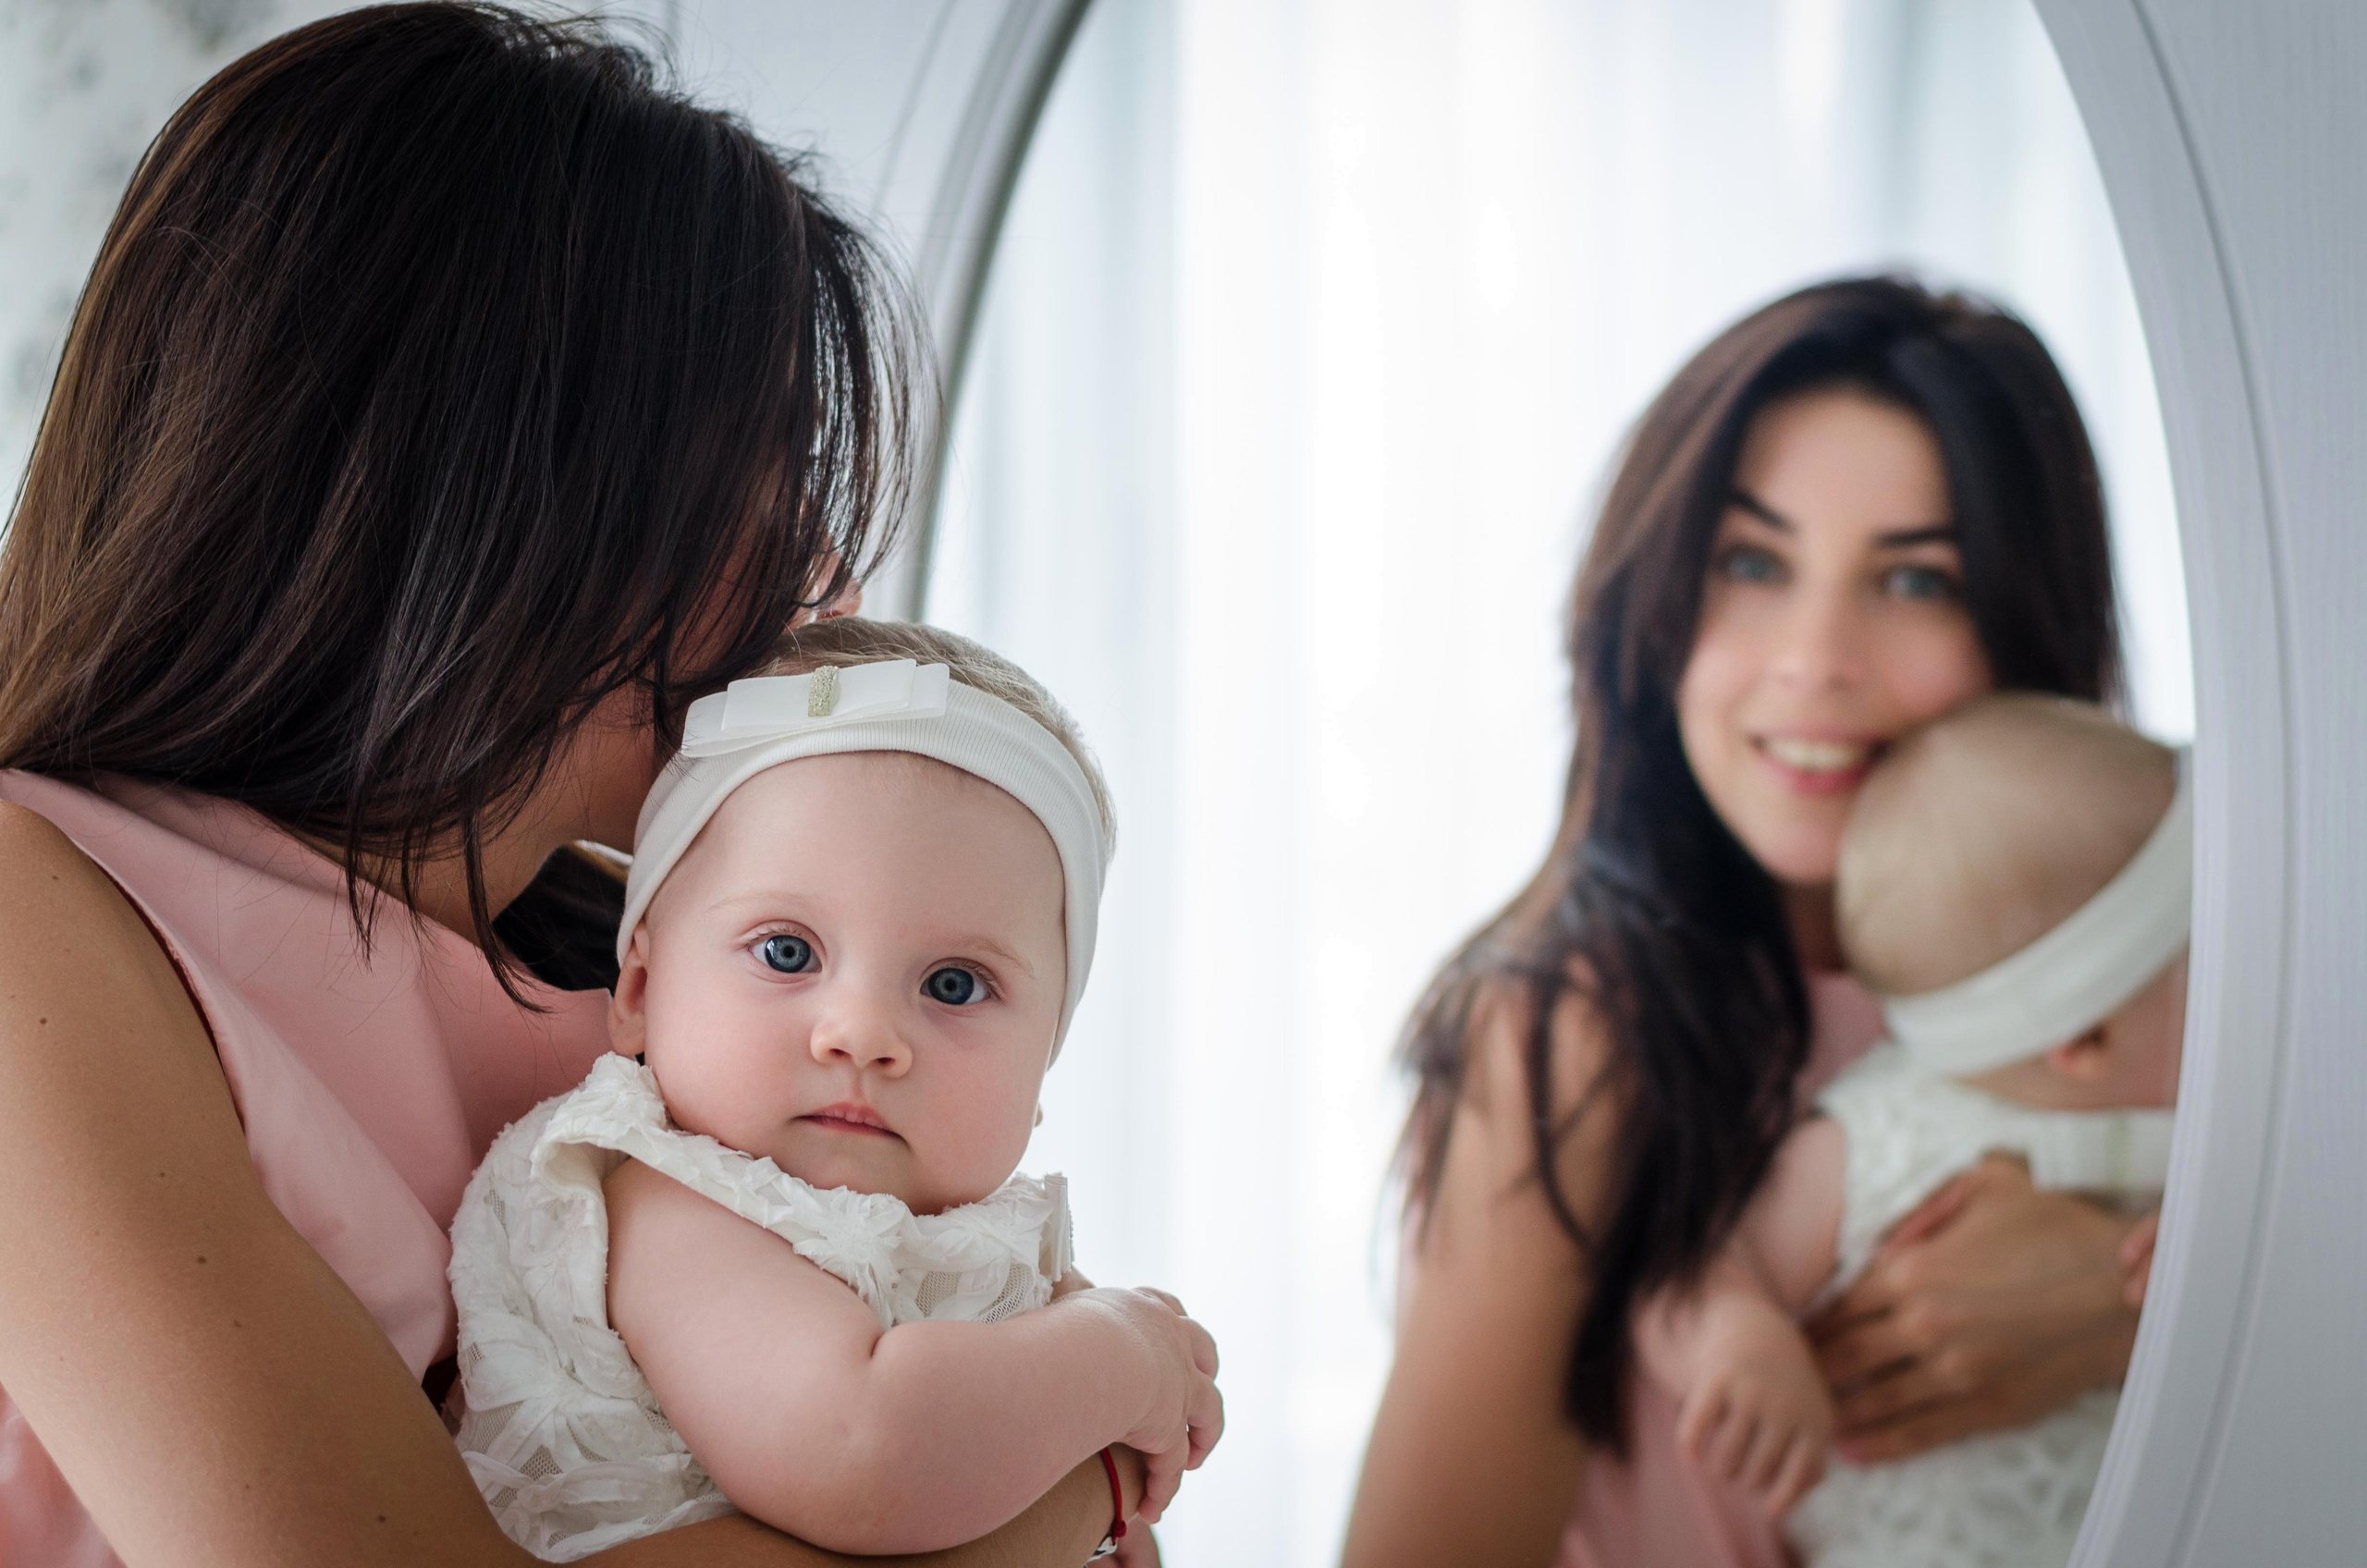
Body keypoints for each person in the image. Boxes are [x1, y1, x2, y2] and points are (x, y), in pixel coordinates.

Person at [0, 7, 1139, 1564]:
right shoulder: (30, 917)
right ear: (480, 486)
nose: (811, 568)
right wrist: (1042, 1494)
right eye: (768, 474)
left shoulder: (649, 981)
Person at [1342, 276, 2156, 1568]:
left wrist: (2130, 1303)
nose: (1817, 660)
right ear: (1653, 608)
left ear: (2026, 623)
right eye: (1754, 563)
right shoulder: (1576, 1037)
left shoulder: (2159, 982)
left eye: (1916, 580)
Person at [450, 618, 1220, 1562]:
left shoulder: (992, 1243)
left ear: (1042, 1070)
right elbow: (862, 1452)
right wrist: (1120, 1356)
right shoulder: (665, 1200)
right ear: (642, 990)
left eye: (953, 985)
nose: (861, 1033)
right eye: (786, 952)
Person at [1636, 693, 2185, 1567]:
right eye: (2204, 965)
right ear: (2084, 1040)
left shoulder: (2223, 1138)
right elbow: (1689, 1266)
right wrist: (1740, 1336)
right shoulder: (1882, 1142)